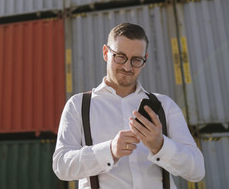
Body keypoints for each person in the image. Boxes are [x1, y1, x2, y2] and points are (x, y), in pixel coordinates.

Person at [53, 23, 204, 188]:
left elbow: (197, 171)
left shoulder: (165, 106)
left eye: (136, 60)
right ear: (106, 52)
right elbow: (61, 166)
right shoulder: (78, 105)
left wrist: (160, 145)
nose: (127, 66)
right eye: (120, 56)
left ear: (144, 60)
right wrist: (109, 150)